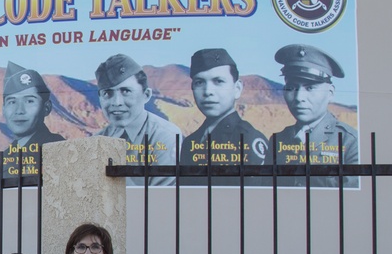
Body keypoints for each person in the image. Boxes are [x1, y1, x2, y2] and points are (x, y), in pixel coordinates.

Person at [270, 43, 359, 188]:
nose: (299, 97)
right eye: (291, 88)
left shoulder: (350, 142)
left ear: (330, 93)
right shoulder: (277, 140)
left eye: (310, 87)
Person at [92, 54, 183, 187]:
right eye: (107, 93)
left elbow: (162, 199)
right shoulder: (98, 140)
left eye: (126, 91)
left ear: (146, 95)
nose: (116, 102)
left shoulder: (165, 136)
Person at [183, 48, 268, 178]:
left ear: (237, 89)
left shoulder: (247, 139)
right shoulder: (190, 142)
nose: (207, 91)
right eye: (199, 82)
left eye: (218, 81)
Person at [0, 62, 64, 179]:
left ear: (46, 108)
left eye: (29, 101)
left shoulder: (59, 148)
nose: (19, 111)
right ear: (3, 109)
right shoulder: (3, 158)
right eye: (12, 102)